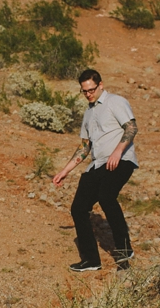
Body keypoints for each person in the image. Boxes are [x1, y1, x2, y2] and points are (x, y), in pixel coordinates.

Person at [52, 69, 138, 272]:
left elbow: (131, 128)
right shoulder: (88, 113)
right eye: (85, 91)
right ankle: (91, 260)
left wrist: (117, 152)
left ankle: (124, 249)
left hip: (120, 160)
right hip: (97, 164)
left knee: (106, 197)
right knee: (78, 208)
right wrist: (65, 171)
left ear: (101, 85)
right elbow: (84, 146)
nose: (89, 94)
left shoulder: (115, 102)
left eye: (91, 89)